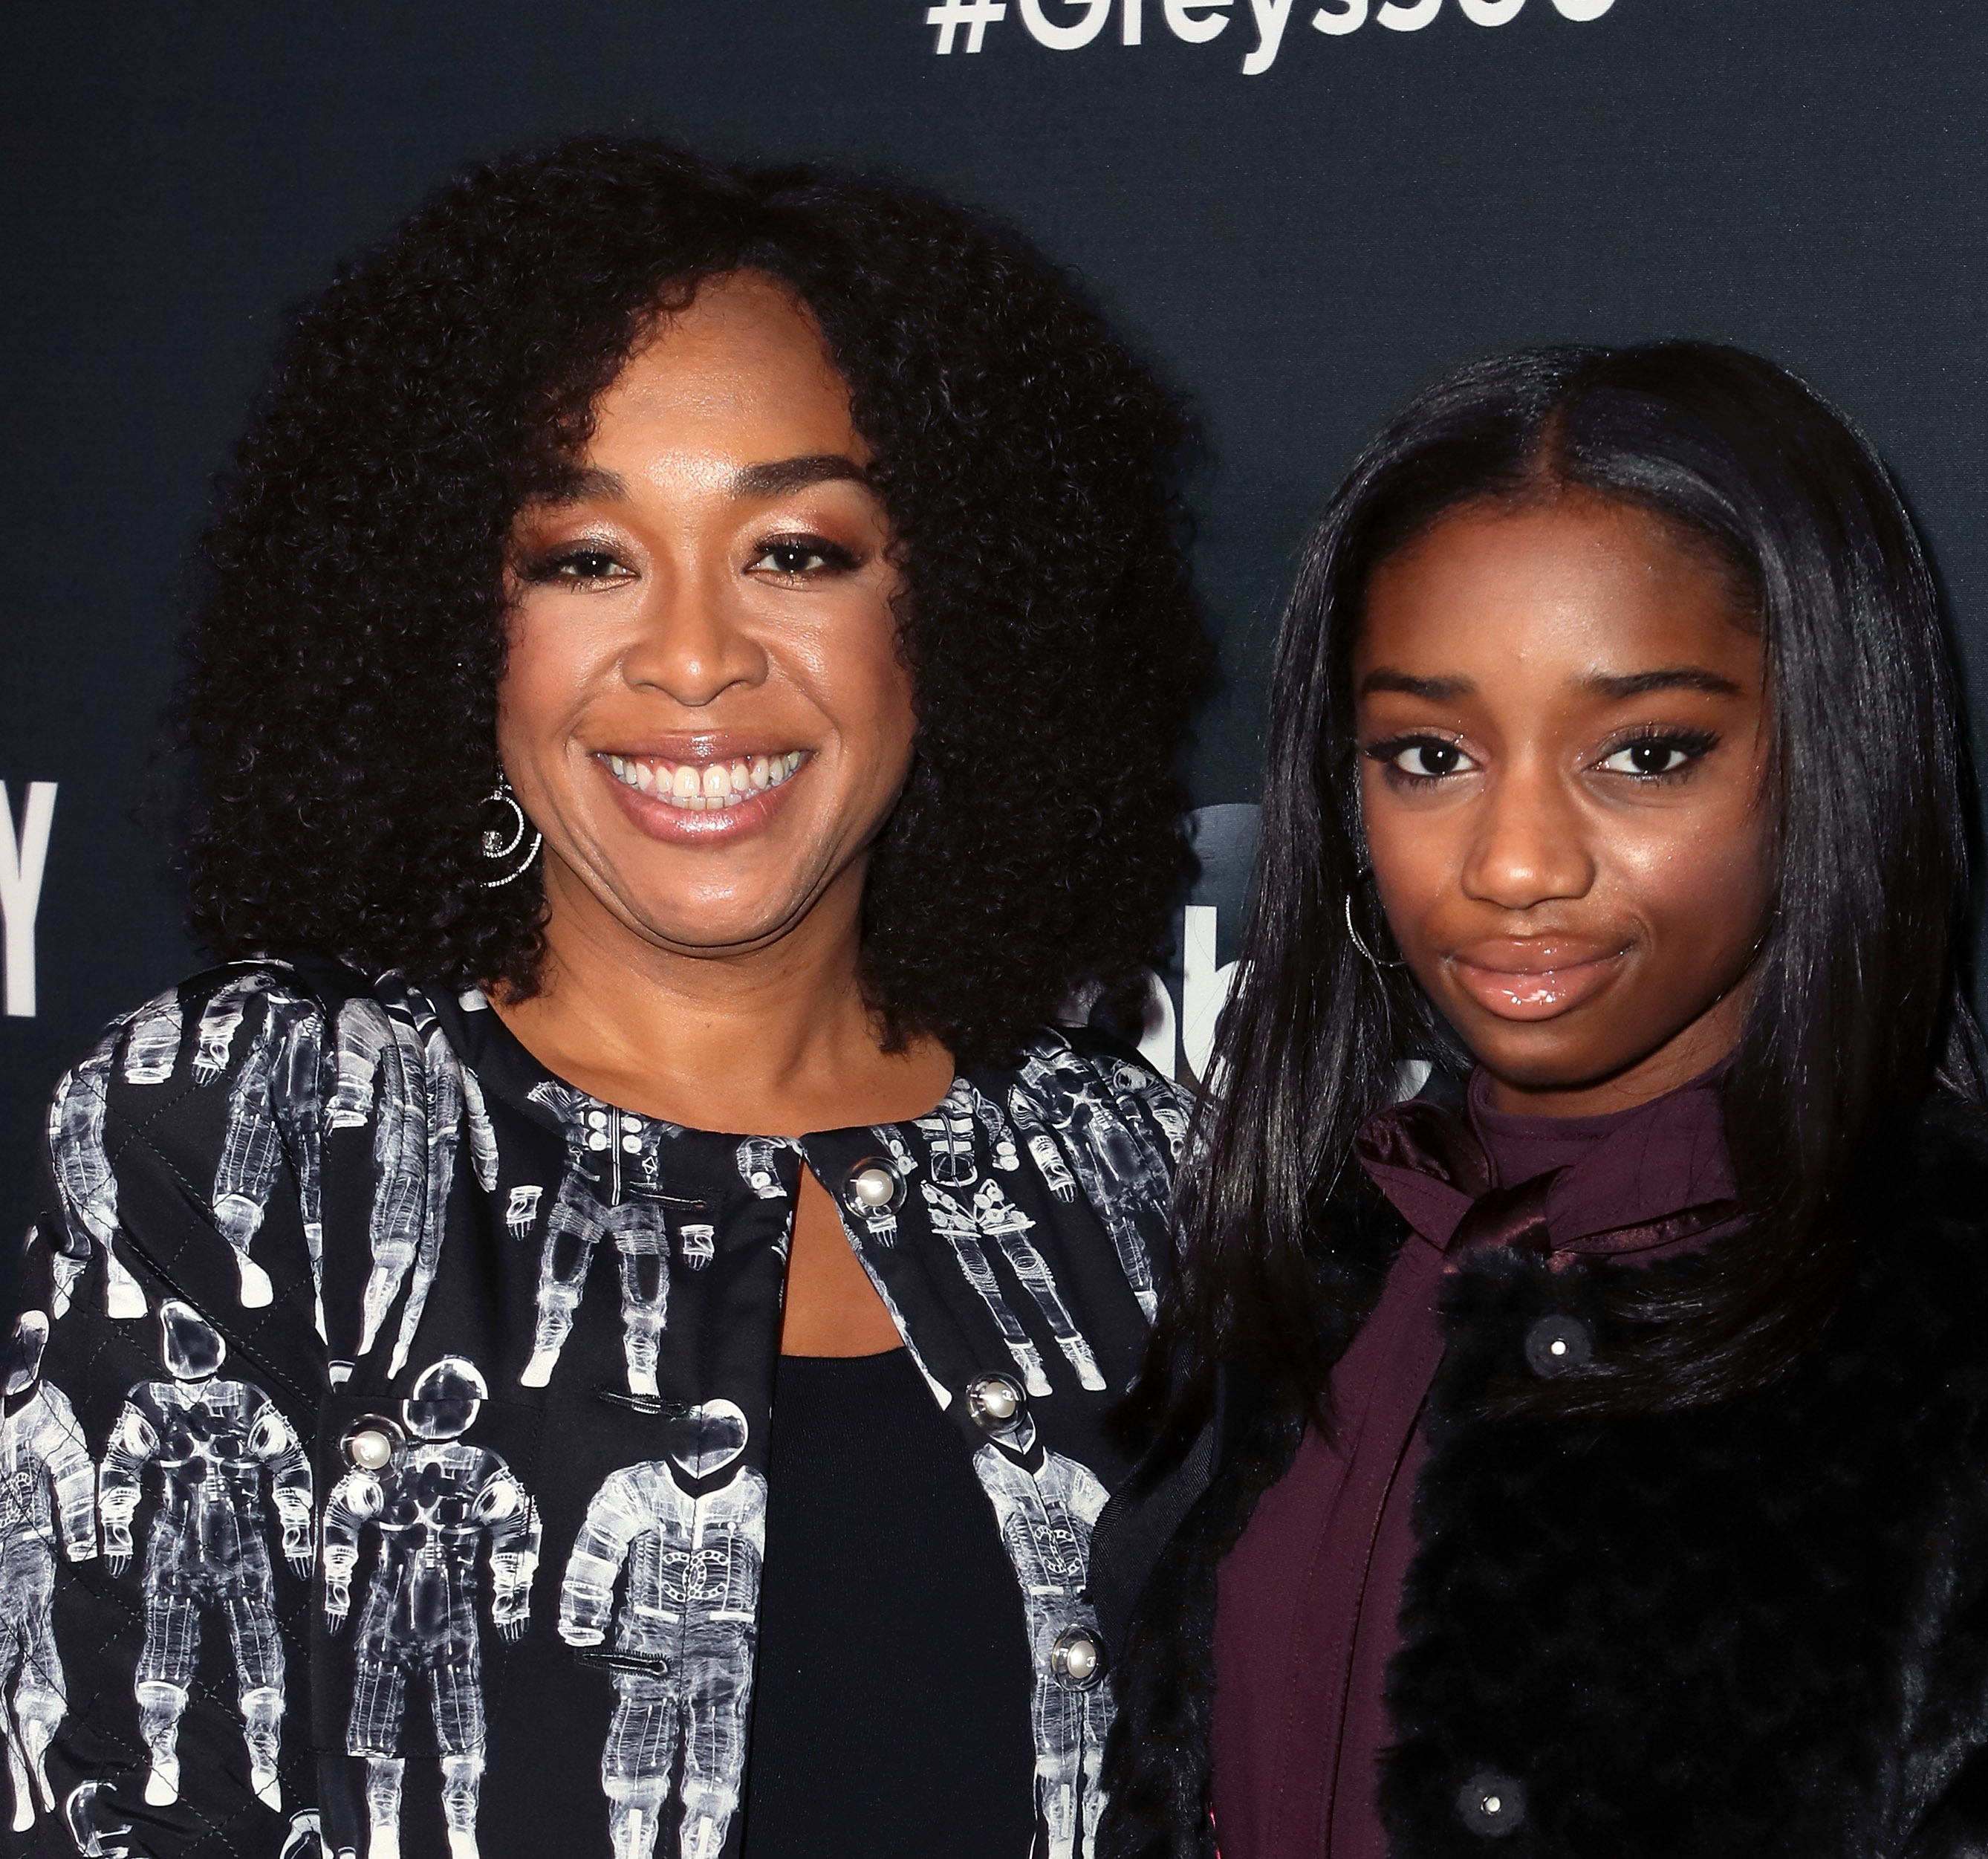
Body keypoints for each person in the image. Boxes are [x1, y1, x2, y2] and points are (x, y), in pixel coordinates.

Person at [4, 137, 1212, 1859]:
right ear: (447, 626)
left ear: (954, 613)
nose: (697, 656)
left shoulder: (1139, 1177)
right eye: (584, 557)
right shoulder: (240, 1135)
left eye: (798, 550)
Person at [1094, 344, 1988, 1858]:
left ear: (1824, 757)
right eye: (1429, 756)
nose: (1513, 864)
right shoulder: (1309, 1264)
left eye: (1645, 754)